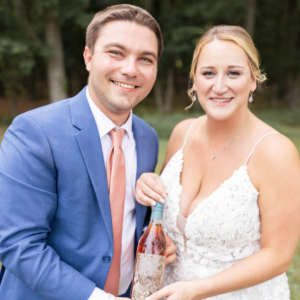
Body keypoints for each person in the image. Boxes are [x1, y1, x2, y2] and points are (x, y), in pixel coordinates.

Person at [0, 4, 176, 300]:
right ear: (88, 57)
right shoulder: (34, 131)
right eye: (116, 53)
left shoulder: (146, 137)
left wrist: (154, 240)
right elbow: (19, 244)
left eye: (145, 58)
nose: (130, 69)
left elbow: (120, 221)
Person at [135, 25, 300, 300]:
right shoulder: (181, 134)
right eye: (208, 73)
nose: (219, 86)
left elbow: (278, 256)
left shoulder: (275, 152)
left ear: (253, 81)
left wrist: (199, 289)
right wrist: (147, 186)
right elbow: (162, 218)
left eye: (233, 73)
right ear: (194, 80)